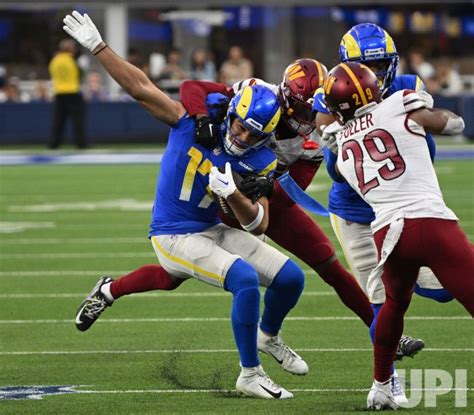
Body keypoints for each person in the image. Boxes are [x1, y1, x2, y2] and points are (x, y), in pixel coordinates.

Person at [64, 10, 307, 399]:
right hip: (174, 233)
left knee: (292, 279)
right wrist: (99, 46)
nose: (242, 136)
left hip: (213, 227)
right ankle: (249, 374)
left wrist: (235, 196)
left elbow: (259, 223)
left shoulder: (262, 159)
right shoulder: (190, 123)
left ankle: (268, 336)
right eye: (240, 124)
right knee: (241, 279)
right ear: (230, 113)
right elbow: (141, 88)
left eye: (253, 133)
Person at [322, 61, 473, 410]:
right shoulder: (398, 100)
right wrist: (430, 111)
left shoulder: (343, 146)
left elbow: (351, 175)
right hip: (430, 223)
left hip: (389, 235)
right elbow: (452, 124)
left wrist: (339, 136)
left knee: (393, 305)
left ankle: (381, 385)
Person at [314, 23, 446, 403]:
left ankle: (406, 278)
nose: (375, 71)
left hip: (407, 206)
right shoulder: (332, 94)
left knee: (443, 291)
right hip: (357, 213)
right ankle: (386, 382)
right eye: (365, 64)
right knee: (382, 302)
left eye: (379, 63)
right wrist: (336, 142)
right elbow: (337, 170)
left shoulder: (407, 85)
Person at [48, 39, 87, 149]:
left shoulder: (54, 61)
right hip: (73, 92)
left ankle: (54, 144)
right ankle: (81, 144)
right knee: (78, 121)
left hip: (59, 93)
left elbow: (53, 75)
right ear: (70, 49)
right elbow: (80, 75)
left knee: (58, 121)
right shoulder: (73, 60)